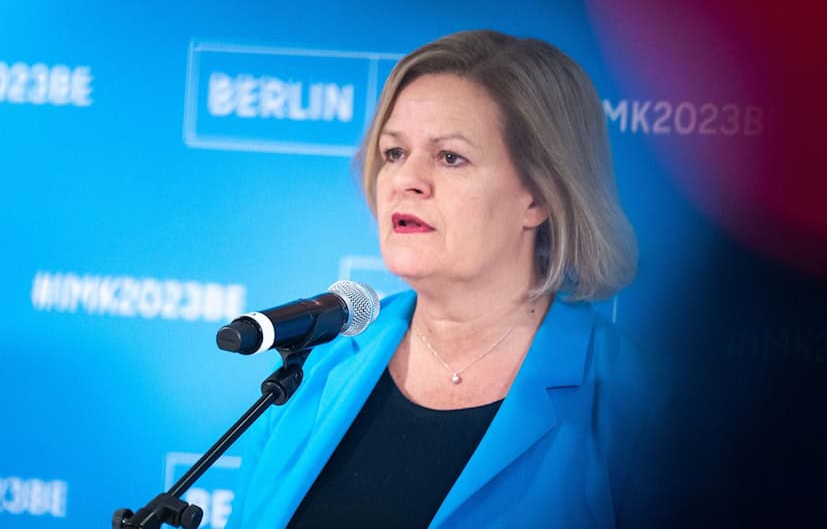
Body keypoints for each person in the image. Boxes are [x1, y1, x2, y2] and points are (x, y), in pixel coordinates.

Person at [229, 30, 667, 528]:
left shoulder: (636, 402)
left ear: (538, 197)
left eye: (450, 157)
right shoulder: (315, 365)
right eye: (394, 153)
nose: (406, 179)